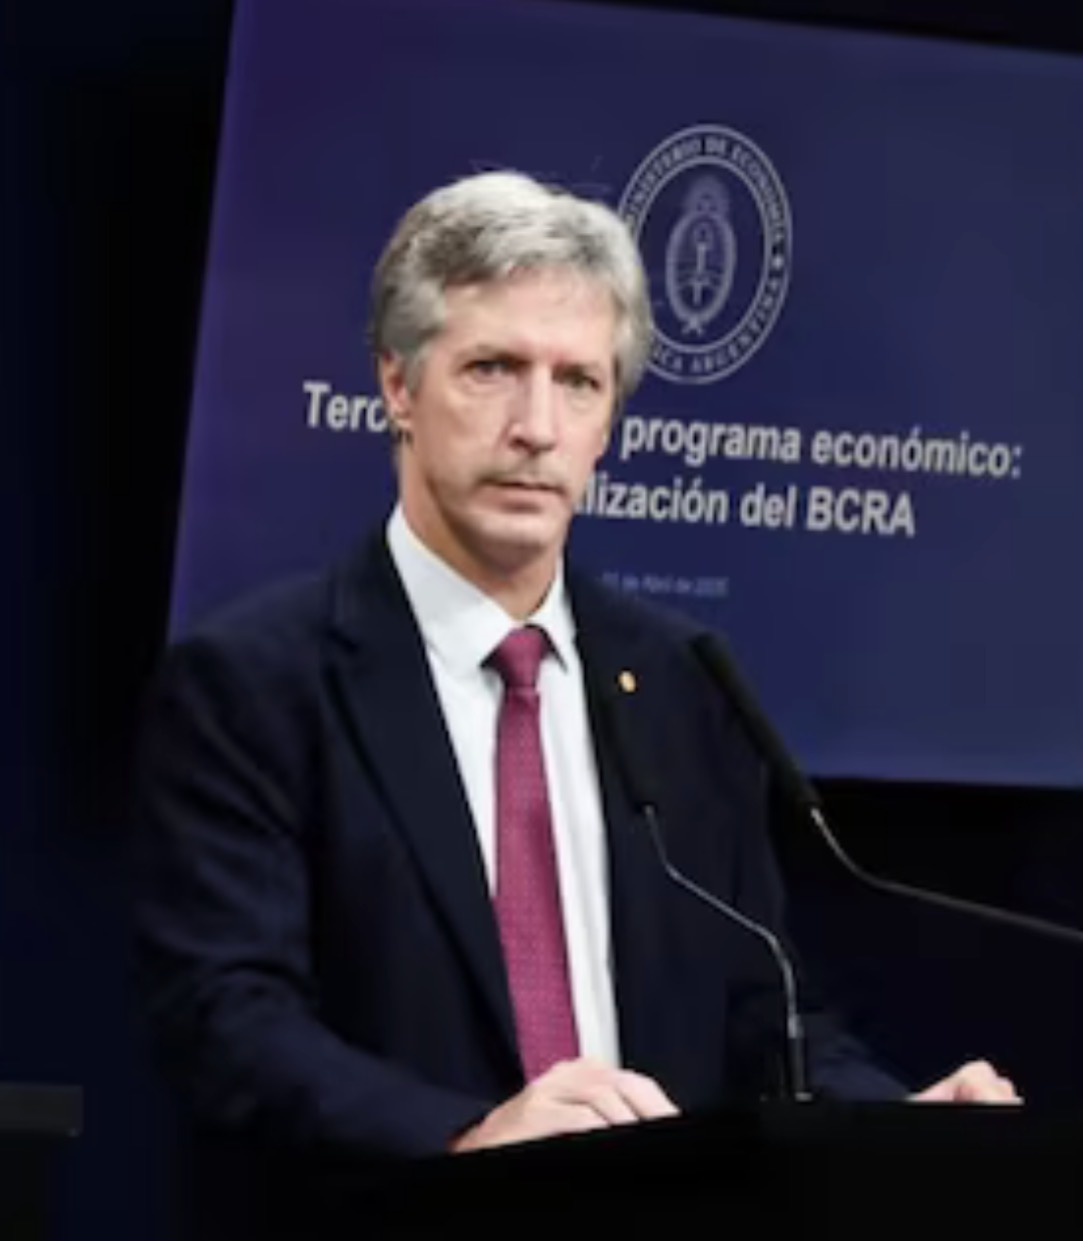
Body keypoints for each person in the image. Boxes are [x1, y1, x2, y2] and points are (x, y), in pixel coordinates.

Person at [132, 171, 1016, 1215]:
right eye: (493, 369)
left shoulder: (684, 683)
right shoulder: (255, 681)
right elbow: (228, 1021)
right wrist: (468, 1136)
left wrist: (899, 1120)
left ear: (609, 424)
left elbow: (762, 1015)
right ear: (398, 386)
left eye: (579, 382)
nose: (537, 427)